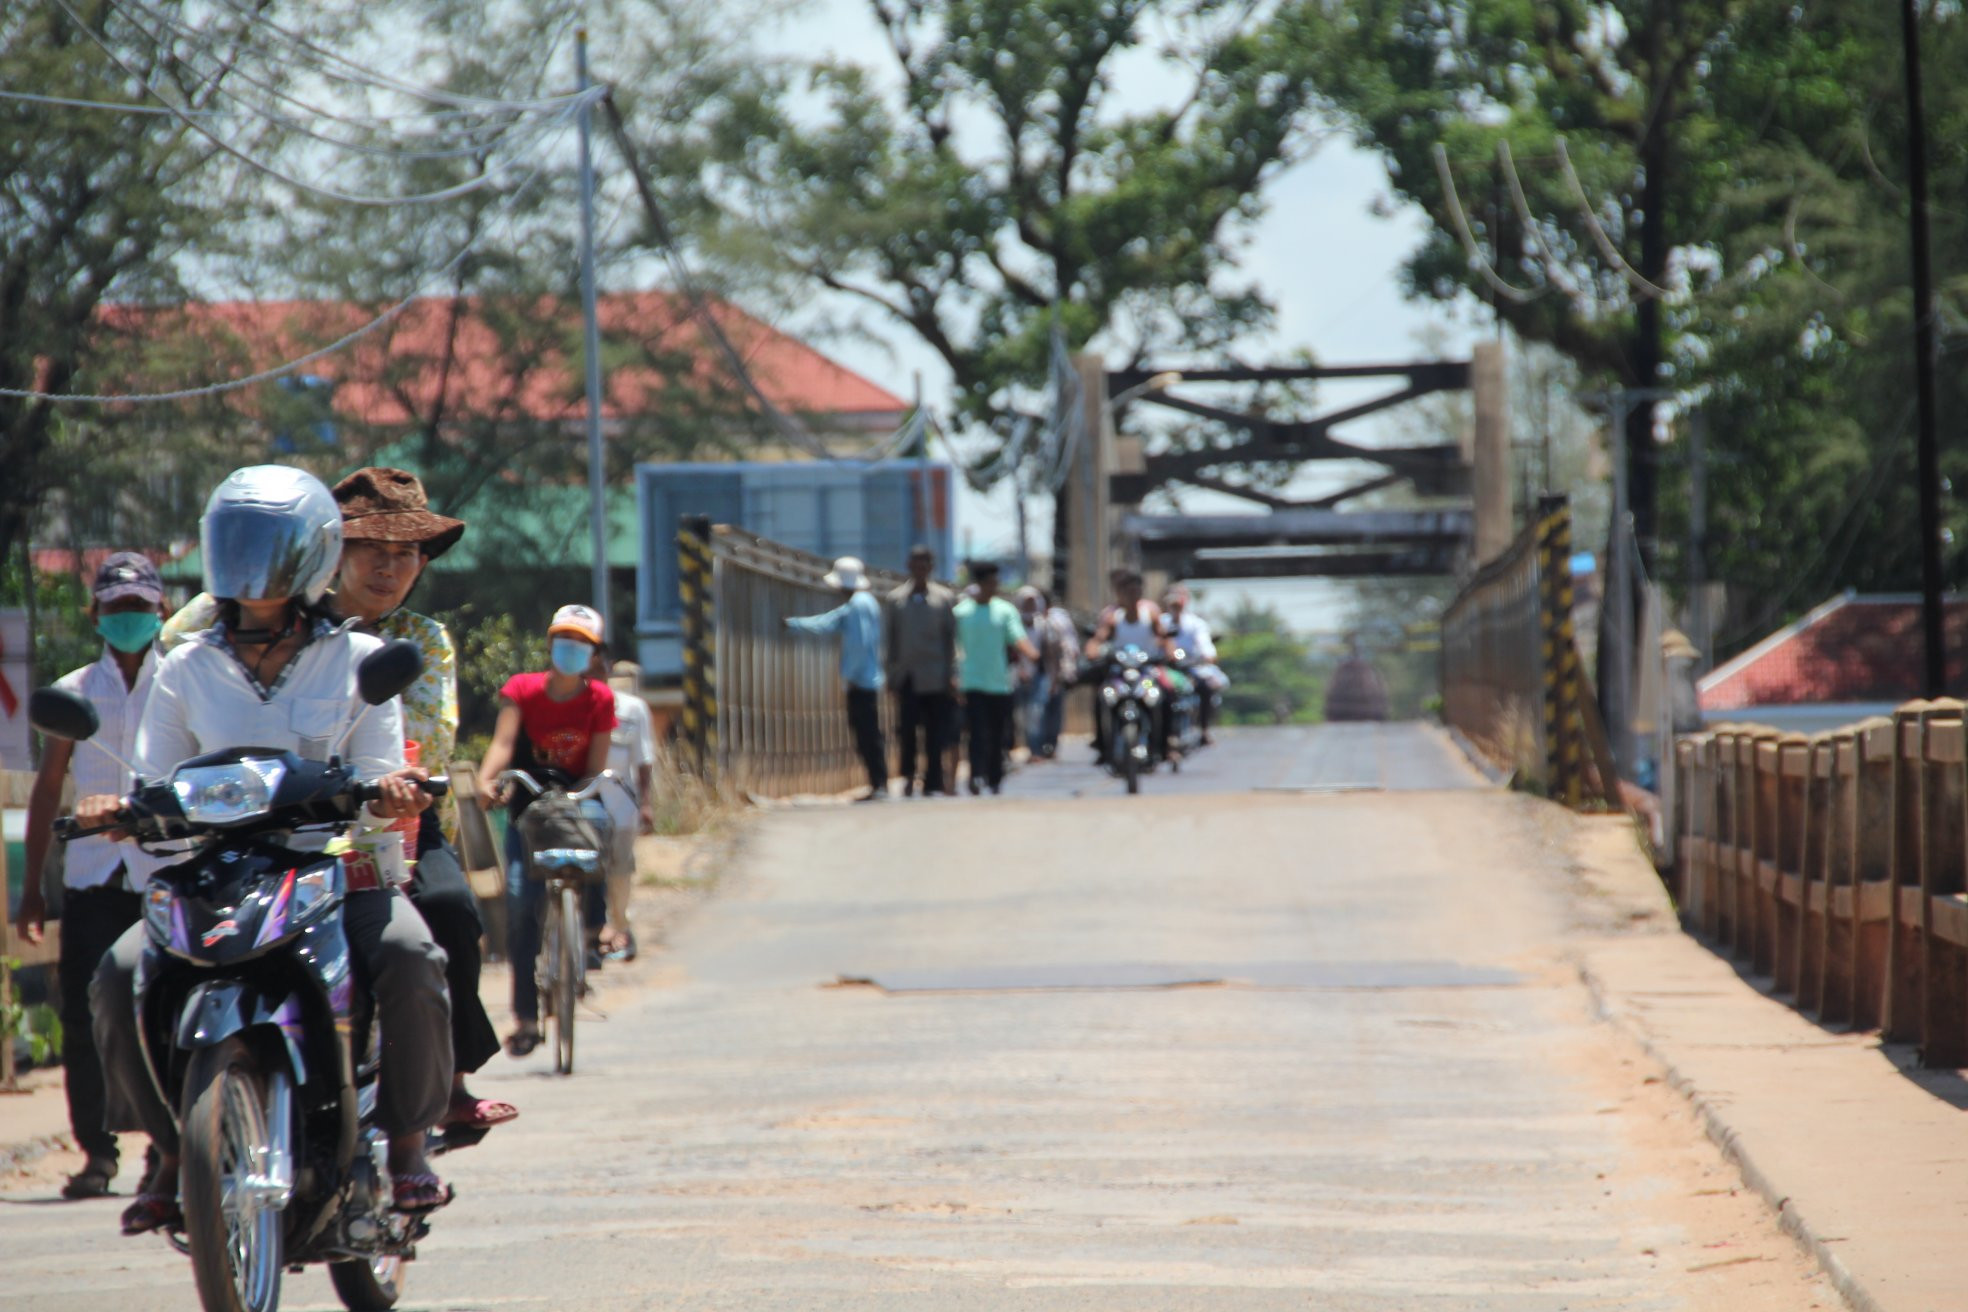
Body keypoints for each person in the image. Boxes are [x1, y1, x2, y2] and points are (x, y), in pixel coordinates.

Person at [88, 466, 453, 1234]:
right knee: (117, 974)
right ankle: (164, 1149)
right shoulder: (183, 663)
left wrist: (392, 790)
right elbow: (154, 775)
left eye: (274, 544)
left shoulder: (358, 657)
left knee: (414, 955)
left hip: (330, 870)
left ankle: (411, 1147)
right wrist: (120, 809)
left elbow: (384, 765)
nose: (257, 563)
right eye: (242, 542)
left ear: (312, 554)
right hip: (213, 874)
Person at [162, 467, 510, 1137]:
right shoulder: (251, 609)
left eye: (406, 553)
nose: (390, 567)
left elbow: (426, 741)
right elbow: (172, 652)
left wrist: (377, 790)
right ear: (327, 553)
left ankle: (444, 1088)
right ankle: (175, 1137)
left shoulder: (421, 638)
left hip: (386, 809)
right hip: (249, 817)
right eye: (371, 549)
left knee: (445, 910)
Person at [13, 553, 169, 1201]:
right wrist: (31, 885)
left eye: (139, 607)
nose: (128, 618)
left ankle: (170, 1144)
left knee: (168, 1008)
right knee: (81, 1011)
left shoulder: (185, 683)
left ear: (159, 610)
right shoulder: (76, 691)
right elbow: (50, 785)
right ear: (96, 615)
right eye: (116, 608)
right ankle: (97, 1154)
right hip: (94, 874)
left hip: (167, 869)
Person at [475, 604, 617, 1056]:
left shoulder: (600, 700)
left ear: (594, 655)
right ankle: (525, 1016)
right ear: (550, 643)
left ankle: (593, 935)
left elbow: (595, 767)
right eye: (563, 639)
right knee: (521, 901)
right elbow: (502, 743)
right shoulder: (522, 690)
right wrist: (486, 780)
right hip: (527, 807)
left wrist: (583, 792)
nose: (570, 649)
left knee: (599, 839)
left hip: (574, 801)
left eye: (581, 644)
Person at [785, 556, 889, 801]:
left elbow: (858, 644)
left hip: (861, 681)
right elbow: (828, 622)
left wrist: (850, 675)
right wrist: (795, 624)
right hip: (866, 679)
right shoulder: (864, 603)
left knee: (867, 734)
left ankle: (879, 784)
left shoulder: (858, 605)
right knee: (867, 733)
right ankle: (878, 783)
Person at [953, 562, 1038, 795]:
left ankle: (995, 778)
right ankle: (976, 775)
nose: (995, 586)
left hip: (1000, 683)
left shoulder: (1005, 611)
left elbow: (1017, 637)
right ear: (979, 584)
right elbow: (953, 645)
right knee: (977, 733)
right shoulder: (961, 613)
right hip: (972, 682)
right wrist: (954, 675)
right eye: (990, 582)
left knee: (999, 734)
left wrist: (1032, 654)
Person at [595, 655, 657, 961]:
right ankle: (591, 934)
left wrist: (646, 804)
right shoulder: (574, 707)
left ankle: (620, 928)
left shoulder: (632, 710)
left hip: (621, 808)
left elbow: (643, 760)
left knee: (619, 874)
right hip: (583, 807)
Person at [884, 545, 956, 796]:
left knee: (935, 733)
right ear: (909, 566)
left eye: (925, 564)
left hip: (936, 677)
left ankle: (933, 781)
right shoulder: (895, 600)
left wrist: (952, 674)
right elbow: (890, 640)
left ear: (931, 567)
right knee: (907, 732)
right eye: (916, 564)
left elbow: (951, 640)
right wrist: (890, 676)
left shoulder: (944, 598)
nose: (920, 568)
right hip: (908, 677)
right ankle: (907, 777)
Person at [1085, 570, 1175, 761]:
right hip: (1119, 674)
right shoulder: (1112, 618)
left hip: (1147, 675)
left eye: (1136, 592)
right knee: (1104, 697)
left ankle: (1164, 744)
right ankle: (1103, 746)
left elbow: (1165, 638)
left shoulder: (1150, 614)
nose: (1132, 596)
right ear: (1120, 594)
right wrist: (1092, 650)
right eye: (1128, 592)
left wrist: (1170, 652)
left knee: (1164, 694)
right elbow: (1098, 639)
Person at [1161, 584, 1226, 745]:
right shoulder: (1160, 622)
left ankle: (1204, 729)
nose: (1176, 601)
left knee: (1205, 687)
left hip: (1190, 669)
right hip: (1166, 669)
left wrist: (1209, 654)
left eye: (1180, 597)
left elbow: (1204, 643)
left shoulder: (1196, 623)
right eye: (1173, 597)